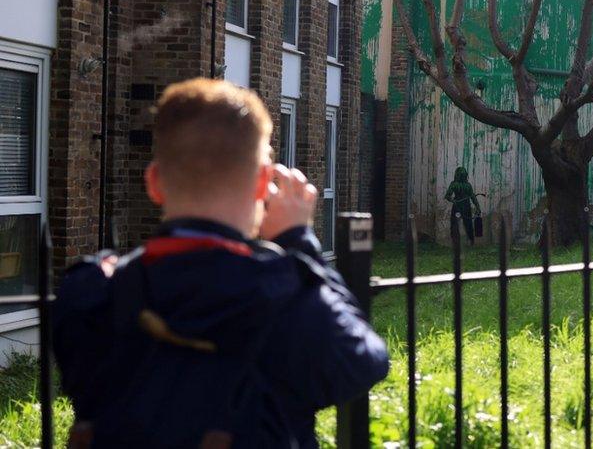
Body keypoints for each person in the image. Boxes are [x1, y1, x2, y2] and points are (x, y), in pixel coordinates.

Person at [53, 79, 390, 448]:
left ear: (153, 182)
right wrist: (298, 241)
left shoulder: (89, 293)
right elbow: (366, 362)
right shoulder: (286, 296)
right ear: (263, 183)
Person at [445, 166, 482, 244]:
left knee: (466, 224)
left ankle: (470, 241)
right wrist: (453, 200)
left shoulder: (464, 185)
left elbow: (473, 197)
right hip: (459, 206)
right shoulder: (459, 184)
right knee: (457, 224)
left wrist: (478, 207)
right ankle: (459, 241)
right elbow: (448, 196)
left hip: (462, 206)